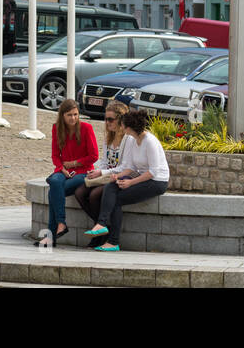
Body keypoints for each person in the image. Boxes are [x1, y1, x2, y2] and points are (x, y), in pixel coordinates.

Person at [85, 110, 169, 252]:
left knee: (117, 199)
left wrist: (130, 182)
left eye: (123, 125)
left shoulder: (150, 142)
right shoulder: (134, 140)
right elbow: (130, 167)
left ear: (129, 128)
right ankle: (101, 224)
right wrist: (118, 176)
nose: (121, 128)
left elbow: (153, 172)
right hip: (143, 177)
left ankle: (113, 242)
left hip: (157, 182)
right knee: (111, 186)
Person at [42, 99, 98, 245]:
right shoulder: (56, 128)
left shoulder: (86, 128)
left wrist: (74, 163)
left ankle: (51, 236)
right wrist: (62, 168)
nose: (73, 118)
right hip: (63, 170)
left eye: (75, 114)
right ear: (62, 116)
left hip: (83, 172)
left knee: (53, 191)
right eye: (69, 115)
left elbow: (94, 156)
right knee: (55, 181)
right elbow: (55, 155)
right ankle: (61, 224)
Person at [74, 100, 130, 224]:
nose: (107, 122)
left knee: (94, 195)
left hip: (119, 177)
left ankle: (100, 230)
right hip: (105, 176)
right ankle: (102, 228)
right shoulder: (108, 137)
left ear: (121, 120)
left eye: (111, 119)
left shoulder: (128, 138)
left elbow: (125, 167)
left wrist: (101, 172)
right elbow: (104, 161)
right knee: (79, 193)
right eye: (105, 119)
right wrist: (97, 171)